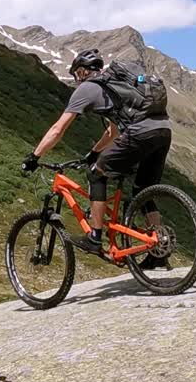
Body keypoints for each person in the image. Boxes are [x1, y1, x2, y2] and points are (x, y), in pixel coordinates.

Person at [22, 49, 172, 262]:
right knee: (143, 191)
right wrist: (94, 153)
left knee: (96, 173)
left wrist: (34, 157)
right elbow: (113, 131)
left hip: (139, 133)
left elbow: (58, 129)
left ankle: (95, 237)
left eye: (77, 74)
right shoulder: (115, 85)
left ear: (83, 71)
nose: (77, 79)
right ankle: (159, 249)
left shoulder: (88, 88)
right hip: (163, 130)